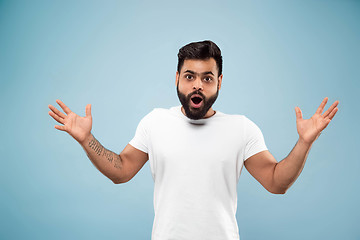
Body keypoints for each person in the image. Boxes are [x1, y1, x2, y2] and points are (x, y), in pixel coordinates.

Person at [48, 40, 339, 240]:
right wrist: (87, 140)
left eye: (207, 77)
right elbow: (121, 171)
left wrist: (304, 143)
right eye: (189, 76)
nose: (197, 84)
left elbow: (277, 182)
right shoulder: (155, 121)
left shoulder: (242, 128)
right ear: (176, 78)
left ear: (219, 81)